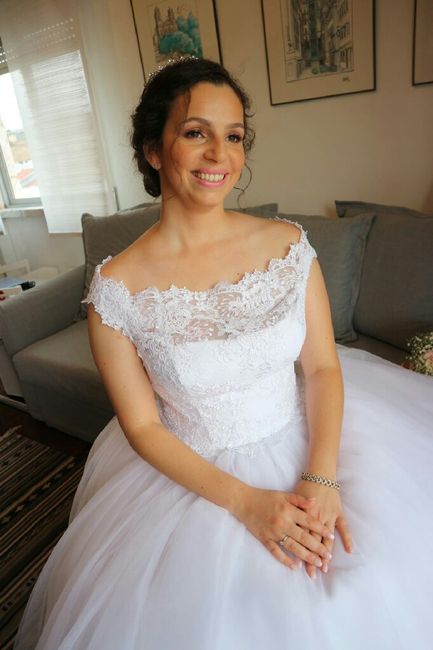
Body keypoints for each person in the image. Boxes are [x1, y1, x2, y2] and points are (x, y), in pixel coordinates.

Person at [14, 58, 433, 650]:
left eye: (234, 136)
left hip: (313, 443)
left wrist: (322, 478)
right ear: (153, 151)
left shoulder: (289, 245)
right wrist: (247, 504)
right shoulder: (114, 290)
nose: (220, 155)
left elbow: (320, 367)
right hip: (196, 481)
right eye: (196, 132)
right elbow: (142, 426)